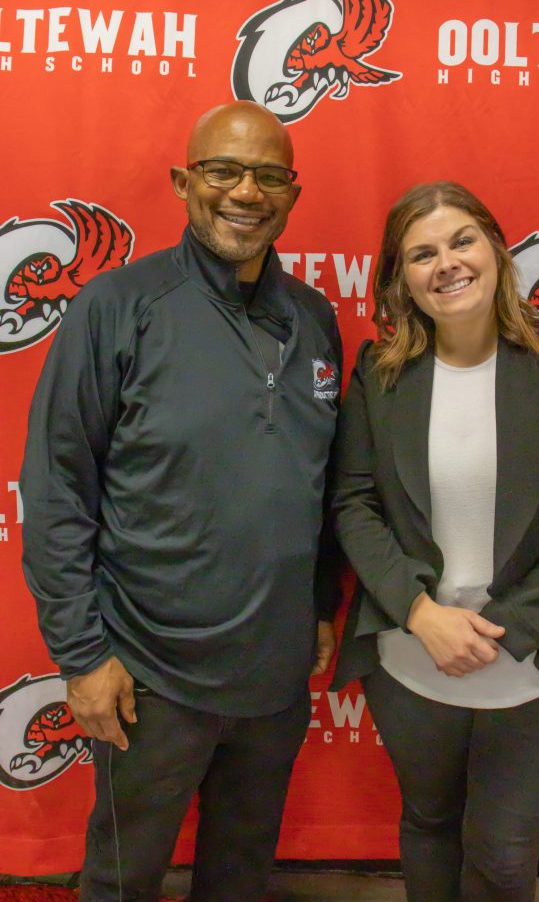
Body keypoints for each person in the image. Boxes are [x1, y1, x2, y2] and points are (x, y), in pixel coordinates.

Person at [21, 101, 342, 902]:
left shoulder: (314, 319)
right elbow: (59, 487)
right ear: (183, 182)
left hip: (272, 680)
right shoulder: (117, 306)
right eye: (224, 171)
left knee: (239, 878)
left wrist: (321, 606)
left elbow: (325, 482)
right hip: (148, 674)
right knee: (123, 881)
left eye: (269, 176)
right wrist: (83, 656)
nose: (246, 192)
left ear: (293, 195)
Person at [331, 181, 539, 902]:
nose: (446, 264)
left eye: (461, 240)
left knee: (500, 853)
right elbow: (352, 501)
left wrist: (512, 626)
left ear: (495, 250)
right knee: (430, 825)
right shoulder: (379, 377)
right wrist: (418, 612)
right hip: (413, 657)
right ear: (398, 278)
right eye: (421, 253)